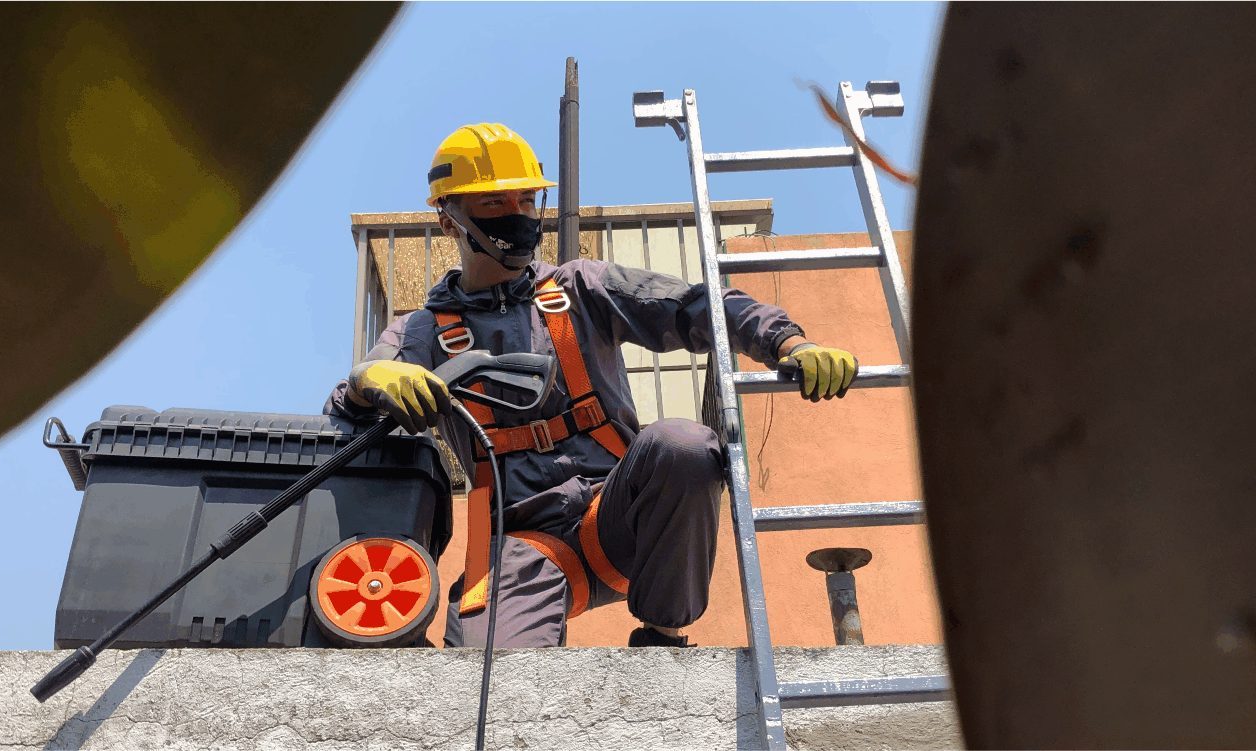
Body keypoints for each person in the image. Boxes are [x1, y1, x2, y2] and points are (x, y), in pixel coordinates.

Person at [324, 123, 858, 648]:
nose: (517, 215)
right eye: (493, 204)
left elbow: (696, 306)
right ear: (448, 220)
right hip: (519, 540)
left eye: (527, 200)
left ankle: (662, 633)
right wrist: (369, 379)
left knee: (684, 445)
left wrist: (788, 343)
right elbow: (343, 416)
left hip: (618, 512)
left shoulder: (580, 288)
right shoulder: (420, 334)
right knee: (489, 680)